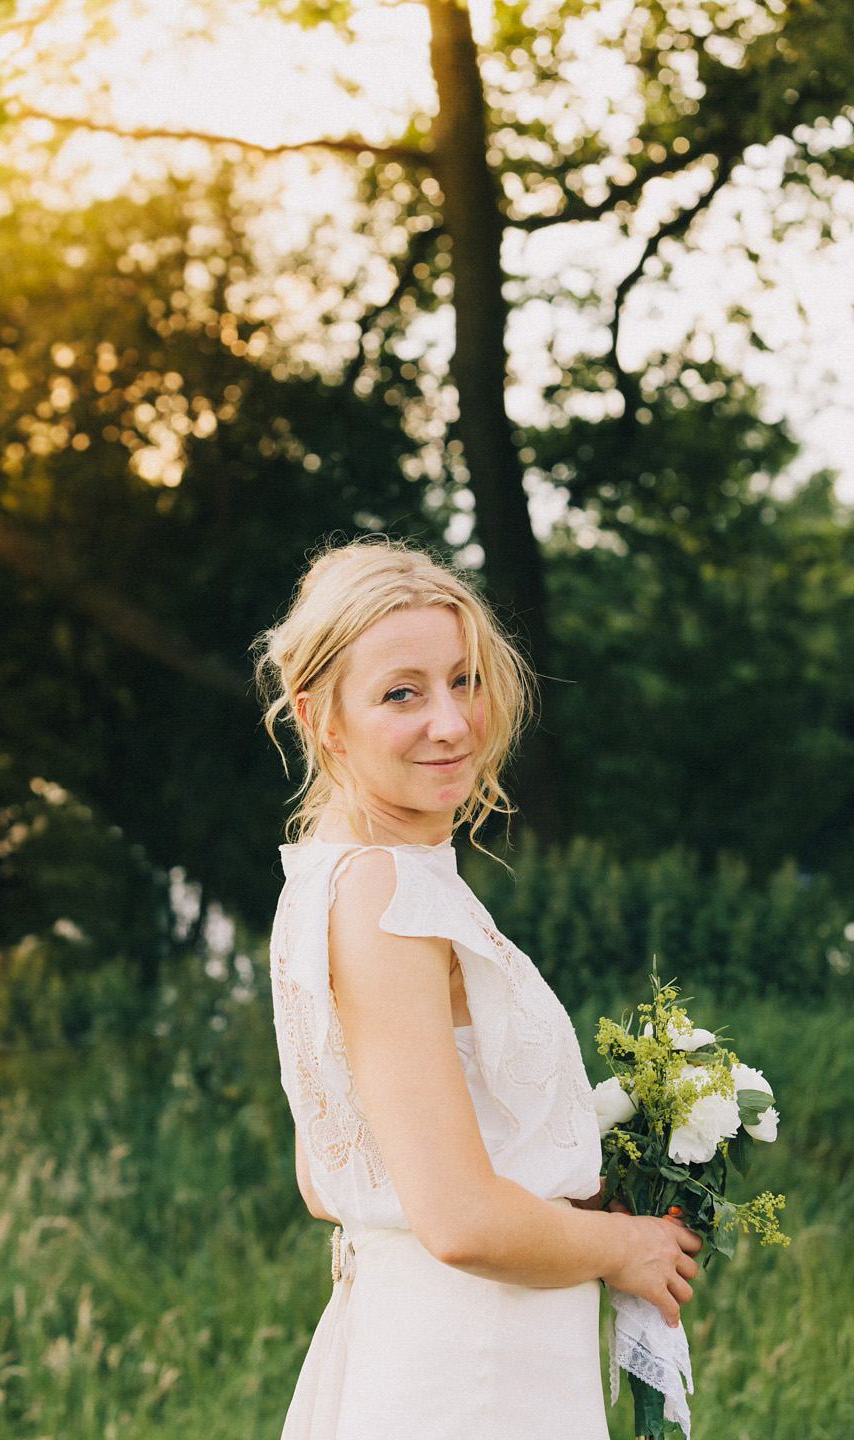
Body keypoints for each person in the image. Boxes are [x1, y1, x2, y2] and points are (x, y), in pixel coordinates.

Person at [253, 539, 701, 1440]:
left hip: (416, 1338)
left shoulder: (324, 880)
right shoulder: (385, 894)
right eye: (402, 693)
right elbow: (456, 1217)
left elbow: (326, 1178)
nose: (453, 723)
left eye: (464, 679)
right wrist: (630, 1246)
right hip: (476, 1366)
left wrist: (568, 1196)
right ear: (321, 718)